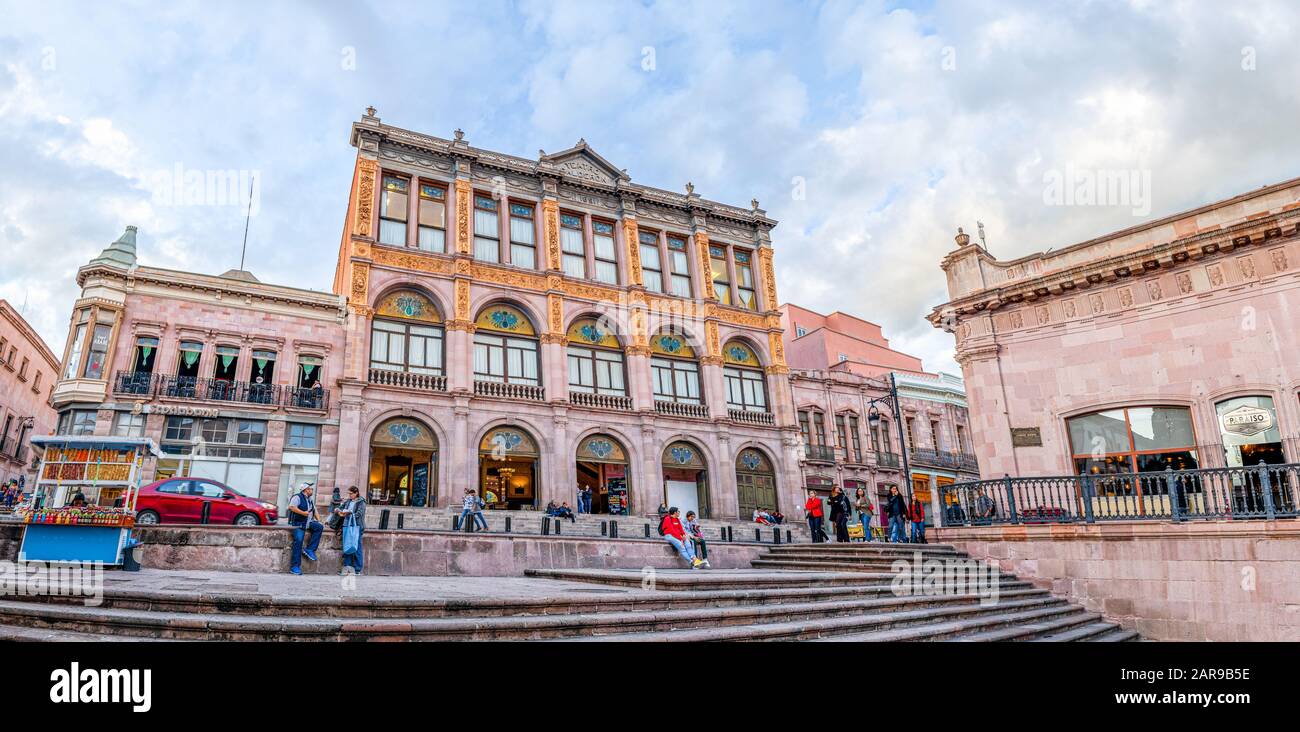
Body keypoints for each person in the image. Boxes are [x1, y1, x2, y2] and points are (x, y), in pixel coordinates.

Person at [286, 482, 324, 575]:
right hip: (298, 524)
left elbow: (314, 511)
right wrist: (303, 513)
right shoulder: (297, 497)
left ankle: (310, 549)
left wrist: (319, 521)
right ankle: (295, 567)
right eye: (311, 489)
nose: (312, 490)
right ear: (306, 490)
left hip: (308, 523)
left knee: (319, 527)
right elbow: (291, 507)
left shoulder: (310, 499)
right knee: (298, 542)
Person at [334, 485, 367, 575]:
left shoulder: (361, 502)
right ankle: (347, 568)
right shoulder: (348, 501)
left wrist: (349, 513)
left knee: (356, 547)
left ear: (356, 493)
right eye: (349, 494)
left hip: (357, 526)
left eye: (351, 494)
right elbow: (341, 507)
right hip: (347, 525)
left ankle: (357, 569)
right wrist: (338, 510)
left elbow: (359, 514)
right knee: (347, 546)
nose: (350, 495)